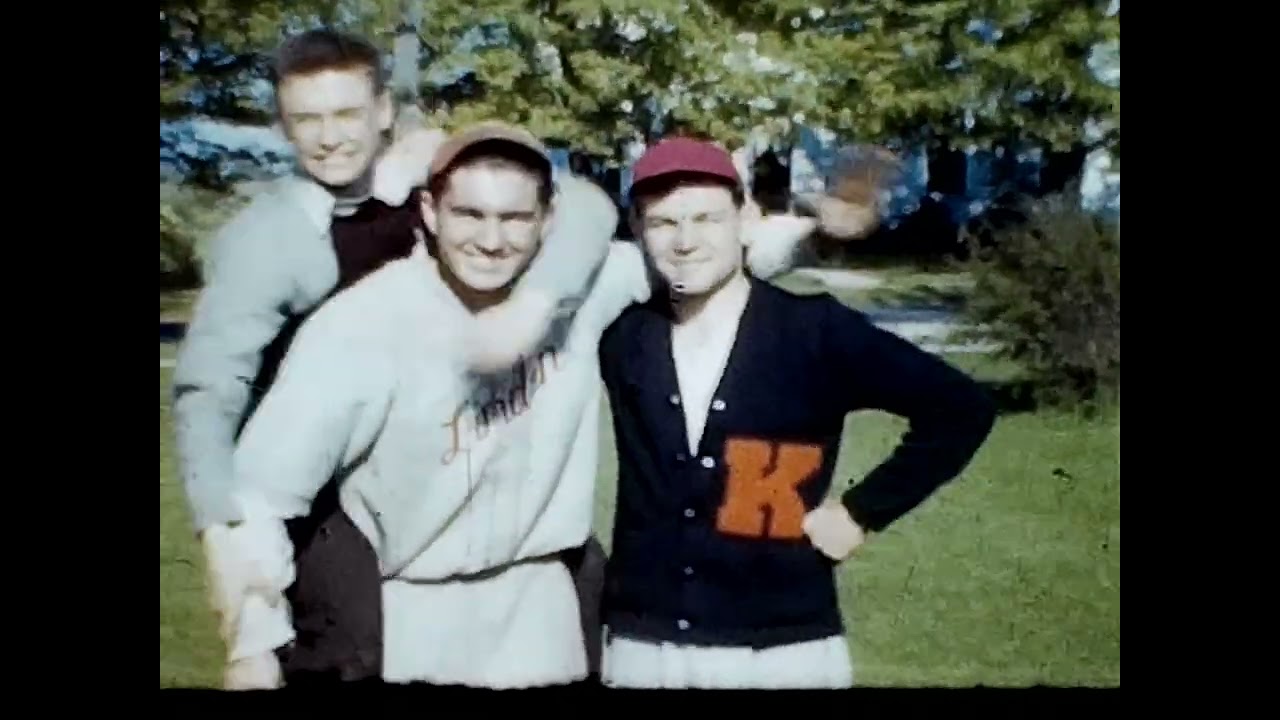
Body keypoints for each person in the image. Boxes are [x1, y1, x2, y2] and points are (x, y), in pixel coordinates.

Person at [213, 121, 827, 689]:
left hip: (545, 606)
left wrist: (823, 228)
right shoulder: (361, 325)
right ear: (428, 211)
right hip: (411, 608)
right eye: (469, 214)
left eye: (514, 217)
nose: (490, 239)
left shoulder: (584, 288)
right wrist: (253, 645)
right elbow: (261, 492)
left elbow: (707, 257)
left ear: (546, 220)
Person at [171, 29, 619, 689]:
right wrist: (219, 527)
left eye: (346, 114)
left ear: (384, 112)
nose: (329, 138)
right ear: (281, 125)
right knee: (347, 645)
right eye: (306, 120)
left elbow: (579, 204)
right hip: (319, 485)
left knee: (577, 583)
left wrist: (535, 303)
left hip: (428, 448)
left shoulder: (418, 183)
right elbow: (208, 392)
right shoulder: (269, 241)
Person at [595, 136, 998, 689]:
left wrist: (861, 512)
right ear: (638, 232)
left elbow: (960, 408)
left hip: (783, 643)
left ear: (746, 220)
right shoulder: (623, 335)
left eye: (707, 219)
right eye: (664, 223)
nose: (686, 241)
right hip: (645, 642)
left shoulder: (813, 331)